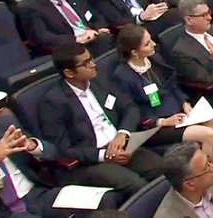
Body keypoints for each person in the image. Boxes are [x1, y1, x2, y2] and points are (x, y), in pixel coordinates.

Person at [38, 43, 165, 196]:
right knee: (136, 185)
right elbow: (63, 149)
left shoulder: (100, 80)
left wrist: (122, 133)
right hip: (92, 160)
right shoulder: (53, 102)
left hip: (122, 144)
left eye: (91, 59)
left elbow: (130, 107)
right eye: (86, 63)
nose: (93, 65)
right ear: (69, 73)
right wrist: (104, 155)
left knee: (163, 170)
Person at [0, 87, 118, 217]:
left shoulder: (3, 125)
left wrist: (33, 145)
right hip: (4, 212)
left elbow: (52, 152)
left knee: (107, 200)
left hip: (37, 196)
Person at [113, 25, 213, 159]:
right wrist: (162, 122)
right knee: (207, 134)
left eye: (151, 40)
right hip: (155, 127)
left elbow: (172, 85)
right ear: (134, 52)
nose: (153, 44)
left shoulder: (154, 59)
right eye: (147, 44)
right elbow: (132, 112)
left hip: (178, 115)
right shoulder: (122, 76)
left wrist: (184, 103)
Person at [21, 0, 113, 56]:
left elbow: (94, 13)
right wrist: (76, 39)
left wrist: (100, 27)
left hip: (93, 37)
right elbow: (42, 37)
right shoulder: (33, 7)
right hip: (69, 48)